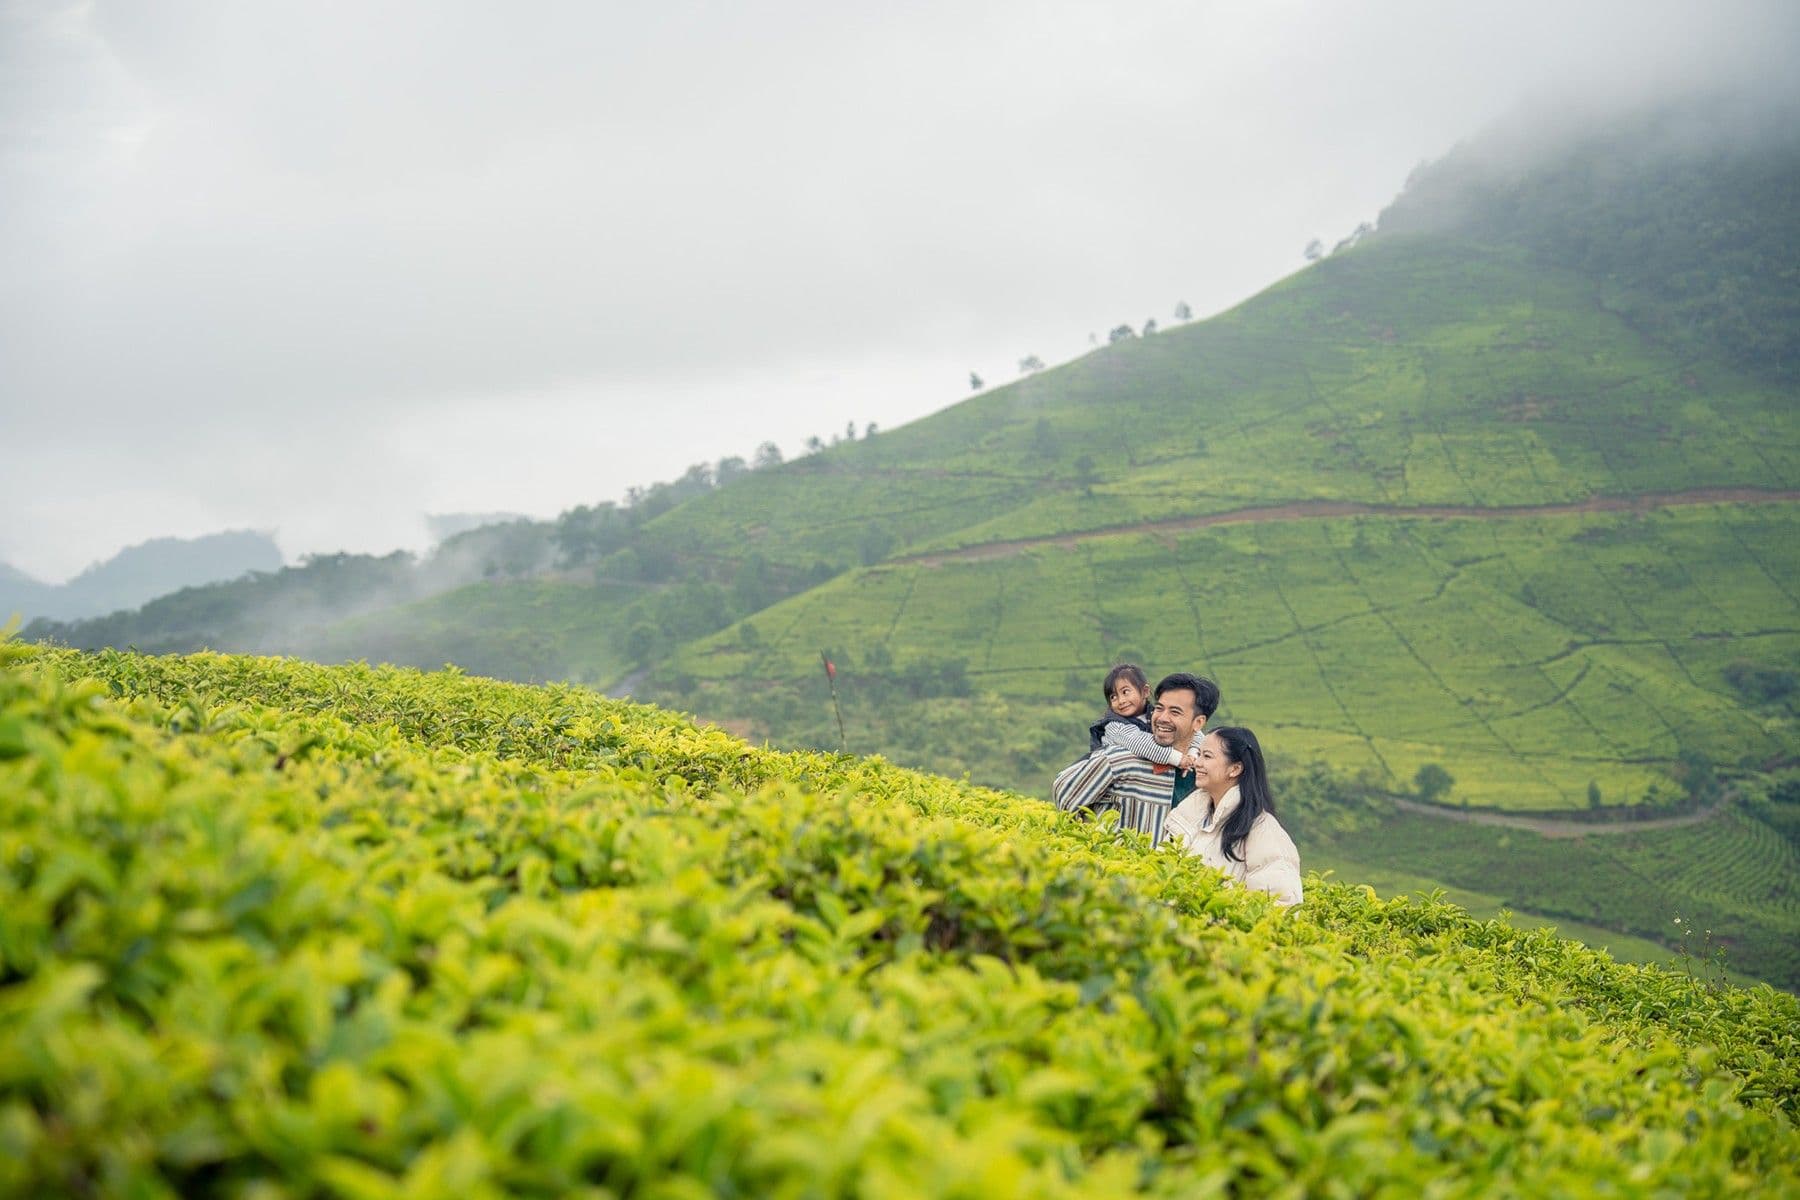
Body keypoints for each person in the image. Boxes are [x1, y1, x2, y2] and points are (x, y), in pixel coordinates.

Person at [1052, 672, 1219, 845]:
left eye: (1175, 712)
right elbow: (1064, 792)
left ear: (1198, 723)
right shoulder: (1118, 760)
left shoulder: (1203, 775)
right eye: (1159, 708)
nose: (1162, 718)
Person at [1163, 726, 1303, 906]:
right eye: (1198, 754)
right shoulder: (1189, 815)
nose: (1197, 762)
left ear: (1235, 769)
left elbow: (1281, 904)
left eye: (1207, 756)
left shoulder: (1263, 830)